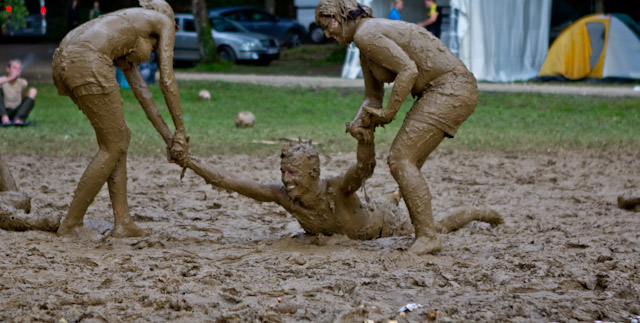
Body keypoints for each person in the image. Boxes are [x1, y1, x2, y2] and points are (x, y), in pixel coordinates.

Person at [315, 0, 478, 255]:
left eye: (327, 25)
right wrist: (360, 122)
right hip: (443, 89)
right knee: (405, 157)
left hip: (450, 88)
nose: (326, 34)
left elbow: (408, 70)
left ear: (342, 16)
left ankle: (427, 236)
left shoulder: (366, 34)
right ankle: (420, 226)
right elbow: (372, 96)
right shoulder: (364, 45)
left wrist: (390, 112)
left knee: (401, 158)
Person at [186, 129, 501, 241]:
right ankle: (394, 194)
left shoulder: (336, 189)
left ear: (312, 174)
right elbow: (229, 182)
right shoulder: (281, 196)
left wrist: (365, 137)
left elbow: (364, 169)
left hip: (386, 227)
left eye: (293, 174)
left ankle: (479, 212)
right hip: (365, 212)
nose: (286, 179)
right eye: (284, 171)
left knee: (438, 226)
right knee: (382, 199)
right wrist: (189, 160)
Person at [51, 0, 190, 238]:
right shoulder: (162, 21)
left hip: (65, 59)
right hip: (87, 59)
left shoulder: (126, 27)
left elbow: (143, 94)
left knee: (118, 139)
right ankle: (72, 224)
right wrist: (181, 131)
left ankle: (122, 221)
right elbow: (167, 80)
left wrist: (170, 138)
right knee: (113, 145)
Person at [0, 60, 37, 125]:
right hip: (3, 111)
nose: (17, 70)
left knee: (33, 91)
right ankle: (5, 119)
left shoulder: (22, 82)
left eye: (19, 68)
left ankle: (18, 119)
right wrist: (10, 78)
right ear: (8, 69)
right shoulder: (2, 80)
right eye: (14, 68)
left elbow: (23, 97)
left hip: (16, 111)